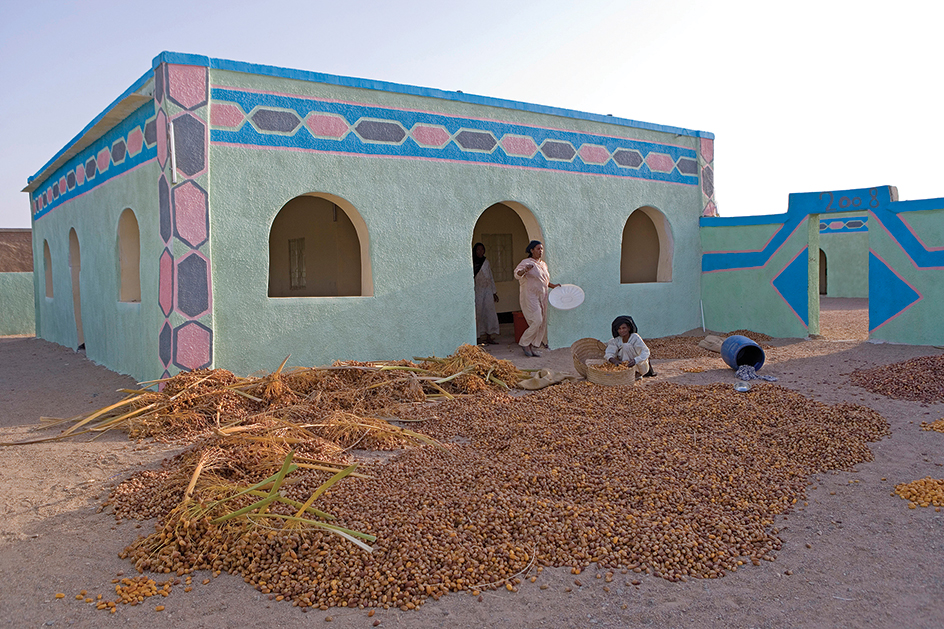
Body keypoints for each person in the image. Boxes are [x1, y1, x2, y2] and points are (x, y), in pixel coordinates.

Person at [514, 240, 560, 357]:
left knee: (541, 322)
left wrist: (553, 286)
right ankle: (524, 343)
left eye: (542, 249)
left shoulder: (543, 264)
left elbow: (544, 281)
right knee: (537, 320)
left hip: (542, 296)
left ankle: (531, 345)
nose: (540, 251)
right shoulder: (526, 262)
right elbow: (517, 274)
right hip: (530, 296)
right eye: (538, 249)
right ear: (531, 250)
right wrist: (525, 270)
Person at [472, 242, 500, 345]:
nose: (480, 251)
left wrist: (494, 292)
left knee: (489, 313)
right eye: (478, 250)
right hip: (477, 291)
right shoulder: (473, 263)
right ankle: (478, 337)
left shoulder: (486, 262)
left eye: (482, 249)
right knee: (478, 314)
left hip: (488, 290)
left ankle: (489, 336)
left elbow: (490, 277)